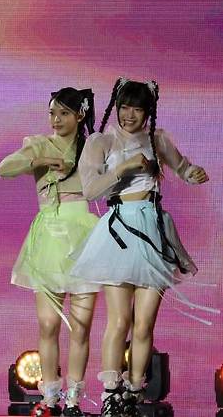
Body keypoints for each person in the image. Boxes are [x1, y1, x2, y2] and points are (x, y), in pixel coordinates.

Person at [70, 78, 216, 417]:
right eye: (124, 107)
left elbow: (183, 168)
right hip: (120, 229)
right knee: (119, 320)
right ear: (116, 107)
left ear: (148, 111)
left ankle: (134, 392)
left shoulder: (157, 139)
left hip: (152, 227)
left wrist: (193, 173)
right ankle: (110, 393)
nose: (129, 115)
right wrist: (123, 168)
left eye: (137, 109)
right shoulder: (101, 141)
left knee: (145, 323)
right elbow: (90, 190)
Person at [0, 87, 99, 416]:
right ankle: (51, 394)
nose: (56, 119)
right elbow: (4, 168)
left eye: (64, 113)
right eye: (52, 113)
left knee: (81, 326)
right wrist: (39, 161)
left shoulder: (92, 146)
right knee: (48, 324)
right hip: (49, 236)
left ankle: (74, 398)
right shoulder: (38, 143)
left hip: (83, 234)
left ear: (80, 115)